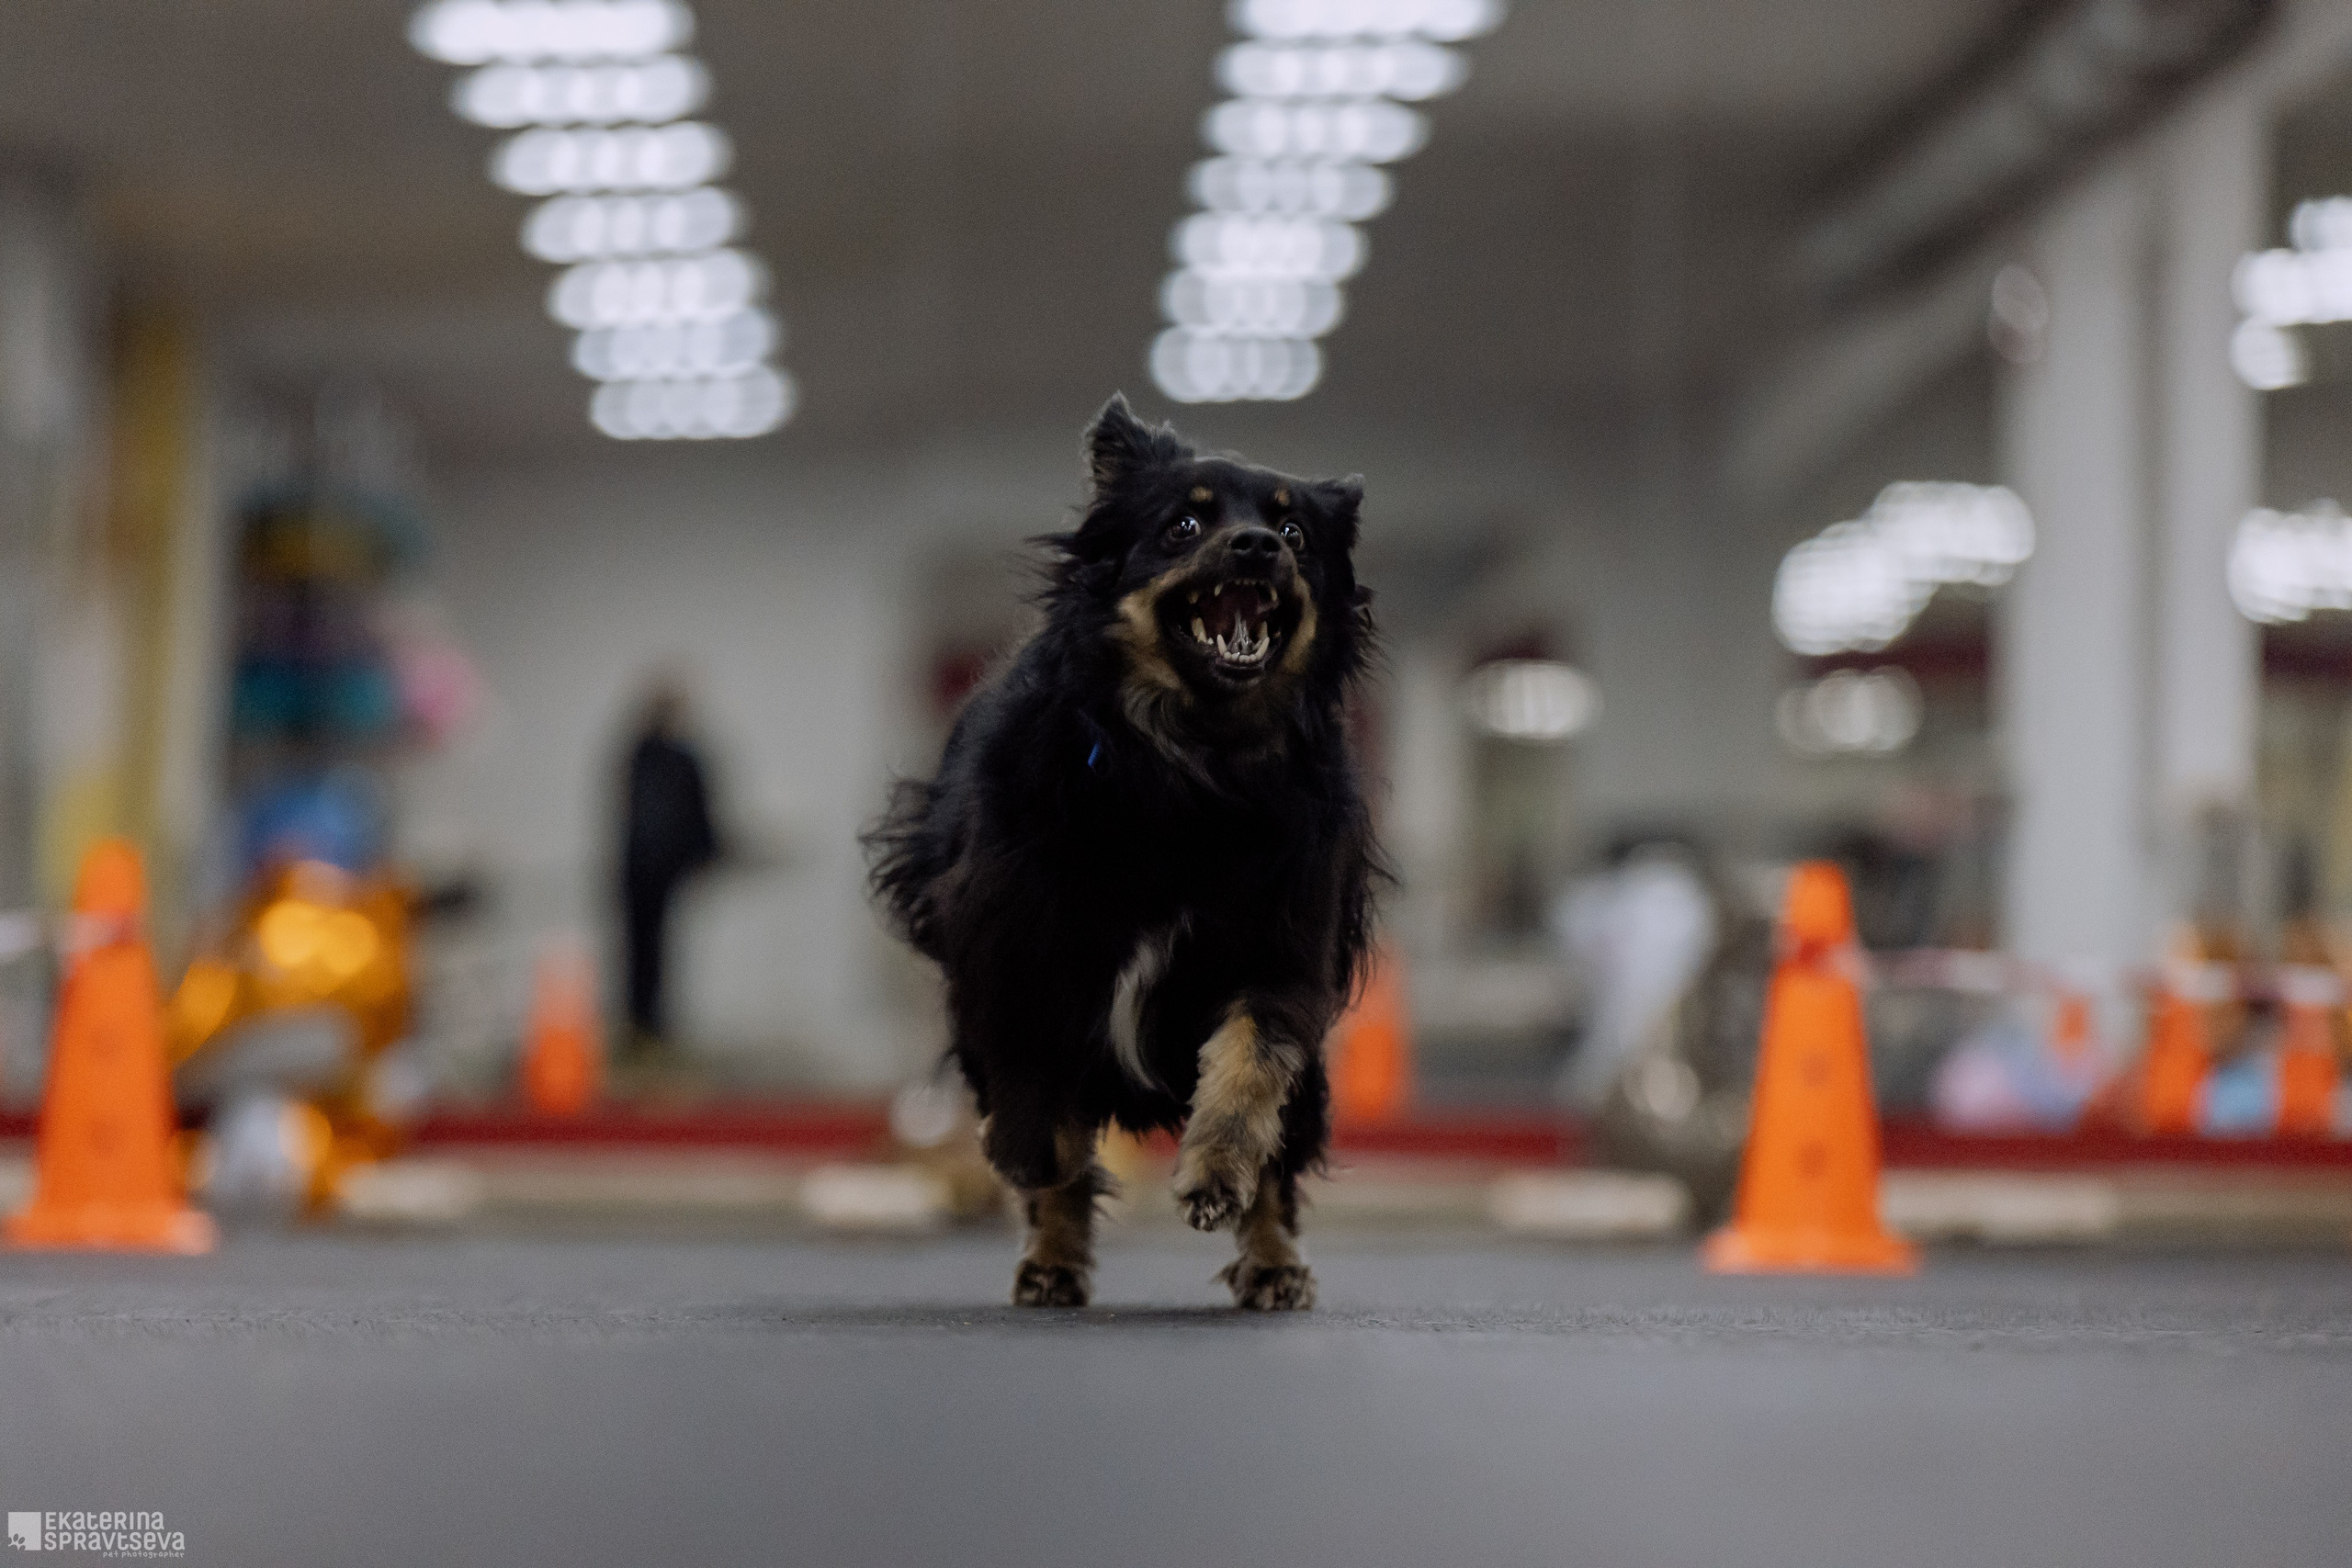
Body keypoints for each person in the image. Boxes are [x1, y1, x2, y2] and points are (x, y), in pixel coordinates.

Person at [617, 679, 720, 1055]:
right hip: (645, 871)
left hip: (655, 870)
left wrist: (702, 857)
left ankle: (652, 1028)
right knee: (642, 952)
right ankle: (642, 1028)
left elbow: (698, 814)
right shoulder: (648, 756)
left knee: (654, 952)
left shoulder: (656, 756)